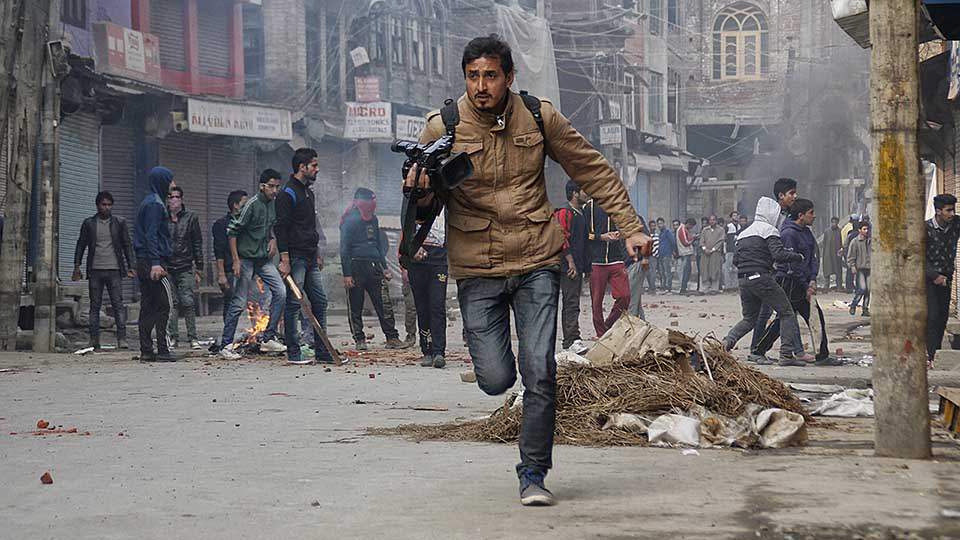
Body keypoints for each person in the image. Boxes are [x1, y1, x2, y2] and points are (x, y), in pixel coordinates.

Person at [407, 34, 649, 506]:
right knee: (497, 378)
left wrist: (630, 225)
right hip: (477, 268)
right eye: (473, 76)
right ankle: (509, 372)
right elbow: (422, 208)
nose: (481, 85)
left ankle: (533, 473)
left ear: (509, 77)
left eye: (491, 75)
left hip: (537, 259)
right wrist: (418, 189)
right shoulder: (443, 127)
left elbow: (592, 169)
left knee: (539, 370)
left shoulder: (539, 116)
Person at [722, 196, 813, 366]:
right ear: (772, 215)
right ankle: (786, 355)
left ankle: (726, 343)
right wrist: (798, 256)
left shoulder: (744, 233)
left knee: (749, 318)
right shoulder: (769, 231)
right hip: (762, 278)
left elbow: (736, 260)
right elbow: (778, 254)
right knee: (787, 313)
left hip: (743, 279)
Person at [752, 199, 837, 365]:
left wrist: (812, 279)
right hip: (790, 282)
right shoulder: (788, 234)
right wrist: (806, 286)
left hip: (804, 281)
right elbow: (791, 264)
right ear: (801, 215)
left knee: (806, 316)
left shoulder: (806, 232)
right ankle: (759, 350)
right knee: (786, 318)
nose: (813, 216)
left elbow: (812, 257)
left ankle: (822, 355)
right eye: (810, 213)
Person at [216, 170, 288, 360]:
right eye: (271, 186)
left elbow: (270, 227)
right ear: (262, 186)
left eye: (277, 187)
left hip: (263, 259)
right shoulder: (251, 205)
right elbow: (232, 232)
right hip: (246, 259)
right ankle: (225, 345)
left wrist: (272, 239)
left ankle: (268, 337)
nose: (274, 190)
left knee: (280, 292)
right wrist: (236, 260)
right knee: (239, 302)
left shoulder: (273, 205)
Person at [276, 148, 334, 364]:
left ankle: (323, 351)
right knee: (293, 304)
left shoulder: (309, 193)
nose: (317, 170)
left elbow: (310, 227)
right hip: (295, 257)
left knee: (320, 301)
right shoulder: (287, 194)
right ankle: (293, 352)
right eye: (314, 166)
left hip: (310, 257)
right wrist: (284, 260)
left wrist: (317, 252)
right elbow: (280, 228)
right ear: (302, 167)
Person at [72, 191, 136, 350]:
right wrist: (77, 266)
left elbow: (127, 245)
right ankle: (94, 339)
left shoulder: (119, 223)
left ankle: (122, 339)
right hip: (95, 270)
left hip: (114, 269)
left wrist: (131, 266)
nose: (106, 208)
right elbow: (81, 244)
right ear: (97, 205)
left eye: (109, 205)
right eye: (103, 204)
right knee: (95, 305)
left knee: (118, 304)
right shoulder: (89, 224)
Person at [340, 188, 403, 350]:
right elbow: (345, 249)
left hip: (374, 267)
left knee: (384, 303)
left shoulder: (373, 220)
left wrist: (385, 268)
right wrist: (347, 274)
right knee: (356, 305)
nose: (373, 204)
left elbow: (378, 246)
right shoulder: (350, 221)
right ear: (361, 202)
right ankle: (359, 339)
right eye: (370, 200)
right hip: (356, 266)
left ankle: (392, 337)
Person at [133, 167, 179, 363]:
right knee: (166, 305)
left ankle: (146, 350)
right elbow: (151, 235)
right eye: (170, 181)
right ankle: (163, 348)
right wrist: (155, 263)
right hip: (154, 262)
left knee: (148, 305)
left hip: (145, 260)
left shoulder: (151, 201)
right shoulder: (155, 205)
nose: (173, 185)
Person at [407, 210, 449, 368]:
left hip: (439, 262)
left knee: (437, 305)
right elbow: (406, 225)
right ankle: (427, 350)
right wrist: (413, 247)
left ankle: (439, 351)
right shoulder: (415, 201)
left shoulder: (447, 203)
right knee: (422, 308)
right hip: (417, 264)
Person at [165, 185, 204, 350]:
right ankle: (173, 337)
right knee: (172, 303)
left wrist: (199, 266)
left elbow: (197, 242)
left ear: (182, 199)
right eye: (171, 197)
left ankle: (192, 337)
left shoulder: (191, 217)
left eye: (177, 197)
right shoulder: (162, 217)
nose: (174, 200)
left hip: (185, 265)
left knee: (187, 301)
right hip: (167, 266)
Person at [585, 197, 630, 337]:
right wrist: (601, 237)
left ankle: (607, 325)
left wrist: (620, 234)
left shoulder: (619, 205)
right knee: (597, 300)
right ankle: (601, 333)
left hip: (616, 258)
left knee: (625, 295)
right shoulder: (589, 207)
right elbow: (584, 234)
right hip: (596, 260)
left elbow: (628, 228)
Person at [554, 180, 589, 352]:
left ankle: (571, 339)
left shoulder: (580, 213)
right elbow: (561, 236)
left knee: (573, 302)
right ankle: (571, 340)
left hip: (577, 265)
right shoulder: (564, 212)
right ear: (575, 193)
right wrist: (570, 261)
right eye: (584, 190)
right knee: (570, 302)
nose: (586, 194)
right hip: (566, 266)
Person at [926, 194, 959, 366]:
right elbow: (918, 256)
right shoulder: (926, 229)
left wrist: (944, 276)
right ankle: (931, 355)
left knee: (942, 317)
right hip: (928, 279)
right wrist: (934, 275)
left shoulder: (955, 225)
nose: (952, 214)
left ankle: (935, 352)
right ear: (938, 211)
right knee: (932, 316)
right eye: (948, 210)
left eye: (953, 210)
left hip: (946, 277)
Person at [213, 190, 248, 323]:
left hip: (249, 268)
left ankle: (256, 335)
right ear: (236, 205)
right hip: (231, 270)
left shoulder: (248, 222)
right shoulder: (221, 224)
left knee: (254, 303)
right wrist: (221, 274)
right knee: (232, 303)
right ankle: (229, 334)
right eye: (244, 203)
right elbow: (219, 251)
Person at [625, 217, 652, 319]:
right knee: (634, 297)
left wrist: (645, 257)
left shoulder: (634, 218)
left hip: (634, 263)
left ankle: (632, 323)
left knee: (631, 297)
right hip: (624, 263)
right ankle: (640, 323)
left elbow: (646, 238)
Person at [847, 222, 871, 317]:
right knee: (862, 288)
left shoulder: (870, 241)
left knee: (868, 290)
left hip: (869, 268)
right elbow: (851, 256)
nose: (866, 231)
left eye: (867, 229)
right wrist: (852, 266)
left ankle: (865, 309)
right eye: (864, 229)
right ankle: (853, 305)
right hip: (860, 269)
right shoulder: (855, 242)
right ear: (859, 230)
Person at [700, 215, 724, 293]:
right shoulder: (705, 230)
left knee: (714, 270)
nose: (712, 221)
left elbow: (720, 241)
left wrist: (713, 250)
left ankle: (714, 288)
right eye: (710, 220)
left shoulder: (720, 230)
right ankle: (705, 288)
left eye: (713, 220)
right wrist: (705, 249)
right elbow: (701, 241)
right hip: (705, 253)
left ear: (716, 221)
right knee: (705, 270)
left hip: (715, 253)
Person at [820, 216, 844, 291]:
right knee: (827, 270)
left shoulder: (840, 231)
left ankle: (839, 286)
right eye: (833, 222)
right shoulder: (827, 231)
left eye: (835, 222)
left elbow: (841, 242)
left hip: (836, 254)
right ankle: (826, 286)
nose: (834, 224)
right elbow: (824, 243)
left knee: (838, 270)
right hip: (828, 254)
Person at [677, 218, 696, 294]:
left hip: (686, 253)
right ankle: (683, 288)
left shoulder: (684, 229)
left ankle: (684, 288)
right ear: (689, 224)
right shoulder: (682, 229)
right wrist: (693, 238)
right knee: (686, 271)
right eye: (691, 226)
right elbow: (686, 242)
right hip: (685, 253)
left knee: (687, 271)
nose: (691, 228)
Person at [724, 211, 742, 290]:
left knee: (736, 268)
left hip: (737, 251)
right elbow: (724, 238)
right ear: (731, 217)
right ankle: (728, 285)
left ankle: (735, 285)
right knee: (727, 268)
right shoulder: (728, 226)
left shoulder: (740, 227)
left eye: (737, 215)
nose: (736, 217)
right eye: (734, 215)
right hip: (729, 250)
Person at [656, 217, 675, 292]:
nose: (659, 225)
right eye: (658, 224)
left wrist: (672, 251)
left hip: (667, 255)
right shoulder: (661, 233)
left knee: (667, 272)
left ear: (664, 223)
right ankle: (663, 286)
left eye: (661, 223)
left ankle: (668, 287)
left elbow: (673, 242)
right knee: (662, 272)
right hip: (661, 255)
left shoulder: (667, 232)